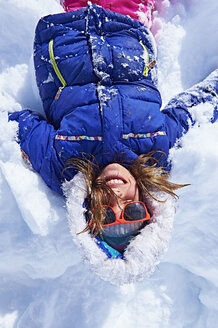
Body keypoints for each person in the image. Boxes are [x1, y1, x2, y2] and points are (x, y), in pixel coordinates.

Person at [9, 0, 218, 262]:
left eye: (105, 216)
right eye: (132, 213)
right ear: (150, 207)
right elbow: (194, 111)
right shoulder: (157, 151)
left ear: (87, 212)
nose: (116, 199)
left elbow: (16, 124)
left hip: (67, 32)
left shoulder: (63, 165)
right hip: (128, 26)